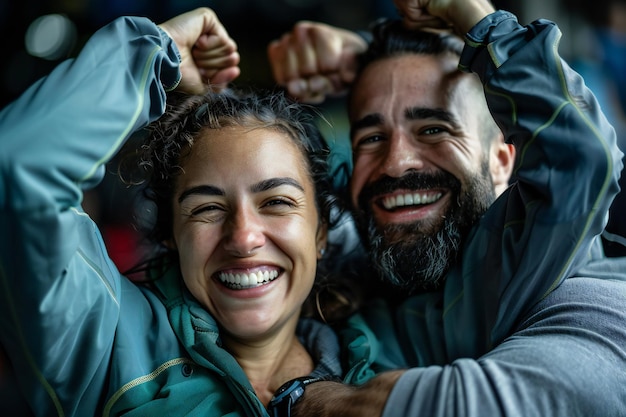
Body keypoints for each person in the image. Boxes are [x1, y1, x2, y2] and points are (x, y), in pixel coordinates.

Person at [0, 7, 370, 417]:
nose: (244, 237)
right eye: (208, 208)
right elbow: (17, 168)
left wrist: (373, 53)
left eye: (276, 202)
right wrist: (152, 55)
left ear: (321, 232)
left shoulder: (394, 352)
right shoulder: (107, 350)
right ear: (170, 235)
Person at [265, 0, 626, 415]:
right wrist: (362, 52)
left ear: (502, 161)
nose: (397, 162)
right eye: (372, 138)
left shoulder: (524, 247)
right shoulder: (356, 268)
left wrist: (476, 19)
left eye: (433, 129)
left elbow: (581, 156)